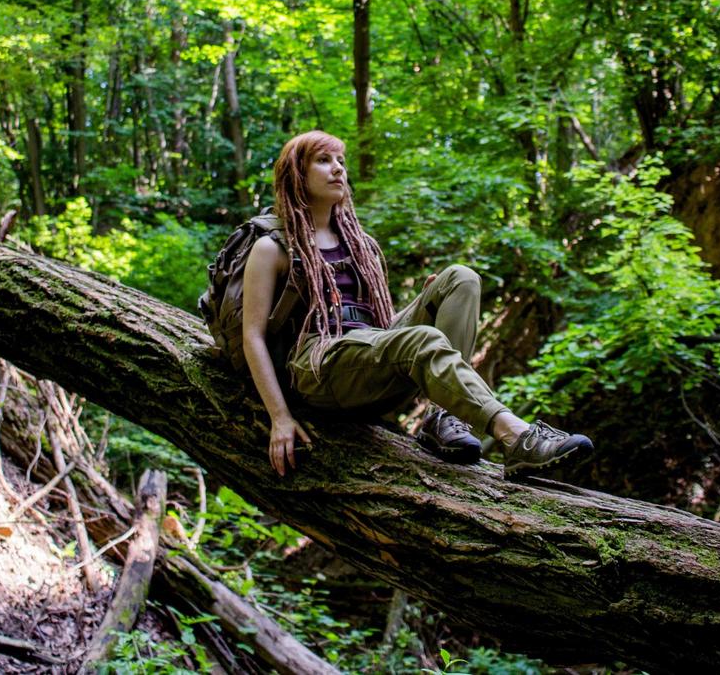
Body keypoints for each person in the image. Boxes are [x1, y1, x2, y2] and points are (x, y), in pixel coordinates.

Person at [240, 129, 594, 480]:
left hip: (362, 357)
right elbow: (252, 337)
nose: (338, 169)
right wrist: (280, 417)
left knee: (461, 278)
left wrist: (425, 304)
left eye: (341, 161)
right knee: (421, 339)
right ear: (296, 175)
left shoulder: (360, 245)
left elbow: (373, 334)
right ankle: (514, 436)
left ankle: (443, 419)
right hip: (317, 370)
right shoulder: (274, 248)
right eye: (323, 160)